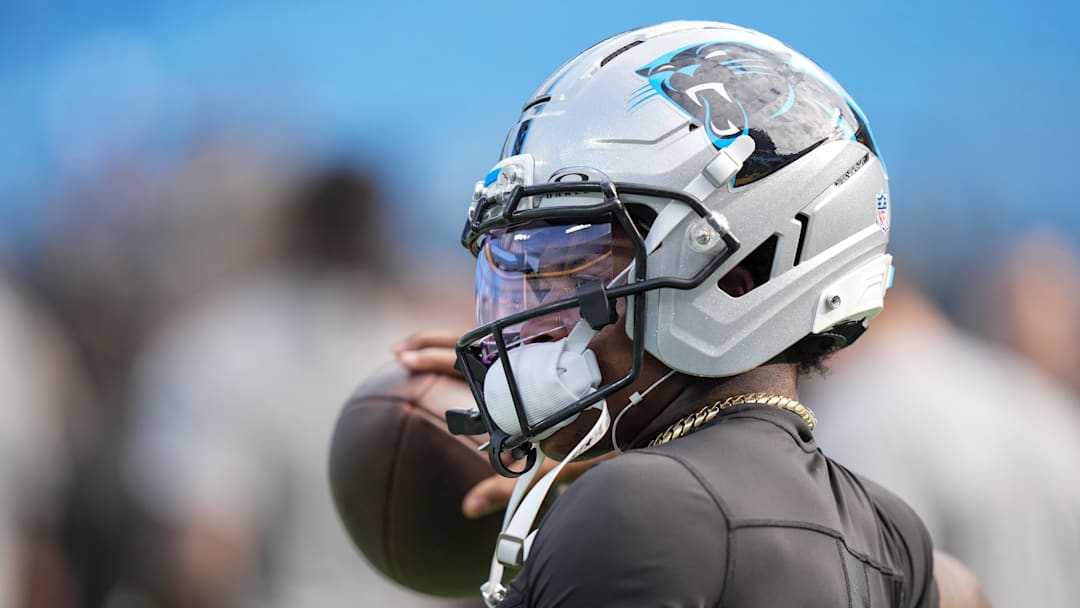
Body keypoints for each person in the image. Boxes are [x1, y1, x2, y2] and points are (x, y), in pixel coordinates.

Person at [396, 21, 989, 607]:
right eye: (520, 273)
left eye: (575, 272)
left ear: (737, 281)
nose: (529, 328)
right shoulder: (891, 534)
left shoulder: (632, 510)